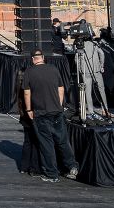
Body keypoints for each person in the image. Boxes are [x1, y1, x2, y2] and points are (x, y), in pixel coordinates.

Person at [22, 50, 79, 183]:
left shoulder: (29, 72)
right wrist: (58, 105)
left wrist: (29, 109)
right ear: (43, 58)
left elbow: (26, 93)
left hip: (41, 113)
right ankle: (72, 166)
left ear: (33, 59)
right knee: (62, 141)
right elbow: (61, 89)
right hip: (56, 112)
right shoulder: (53, 68)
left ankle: (51, 174)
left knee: (46, 144)